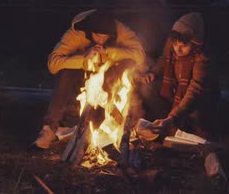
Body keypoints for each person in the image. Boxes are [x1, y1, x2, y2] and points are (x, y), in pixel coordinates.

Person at [34, 9, 146, 148]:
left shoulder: (120, 30)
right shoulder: (77, 32)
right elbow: (53, 64)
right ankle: (49, 129)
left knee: (128, 64)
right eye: (97, 35)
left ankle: (119, 124)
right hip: (81, 75)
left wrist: (109, 53)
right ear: (90, 31)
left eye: (105, 37)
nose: (101, 40)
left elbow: (139, 55)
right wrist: (83, 60)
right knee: (66, 73)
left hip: (110, 78)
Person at [136, 12, 219, 141]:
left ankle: (177, 124)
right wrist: (153, 72)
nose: (177, 50)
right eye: (175, 45)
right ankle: (165, 123)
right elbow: (164, 59)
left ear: (195, 43)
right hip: (177, 89)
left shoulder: (202, 58)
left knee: (197, 117)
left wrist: (173, 117)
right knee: (147, 88)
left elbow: (195, 90)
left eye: (183, 46)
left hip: (199, 98)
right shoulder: (173, 41)